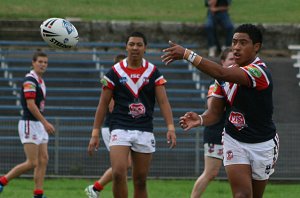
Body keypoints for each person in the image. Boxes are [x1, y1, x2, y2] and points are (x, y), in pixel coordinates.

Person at [161, 24, 279, 198]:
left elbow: (222, 74)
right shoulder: (223, 78)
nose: (236, 47)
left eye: (243, 43)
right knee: (242, 196)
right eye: (234, 42)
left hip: (263, 144)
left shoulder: (259, 72)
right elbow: (215, 113)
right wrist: (200, 119)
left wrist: (187, 54)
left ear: (256, 47)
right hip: (235, 140)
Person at [87, 31, 176, 198]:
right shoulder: (114, 72)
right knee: (119, 173)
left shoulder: (153, 72)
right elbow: (102, 104)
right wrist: (95, 132)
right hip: (120, 127)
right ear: (126, 47)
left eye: (139, 44)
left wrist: (170, 127)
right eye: (131, 44)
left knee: (140, 180)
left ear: (145, 48)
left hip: (144, 129)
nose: (135, 48)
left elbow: (164, 102)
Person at [0, 50, 55, 198]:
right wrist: (46, 123)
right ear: (33, 63)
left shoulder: (40, 81)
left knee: (43, 159)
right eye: (40, 62)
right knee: (32, 162)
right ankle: (2, 181)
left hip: (39, 124)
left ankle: (38, 193)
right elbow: (31, 105)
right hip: (30, 123)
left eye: (45, 62)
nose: (43, 65)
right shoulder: (30, 81)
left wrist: (43, 124)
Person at [85, 54, 131, 198]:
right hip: (112, 127)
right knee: (123, 165)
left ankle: (96, 188)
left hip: (122, 127)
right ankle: (95, 188)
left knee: (124, 166)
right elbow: (110, 106)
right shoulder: (112, 80)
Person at [190, 47, 234, 198]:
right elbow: (212, 109)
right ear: (223, 62)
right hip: (216, 132)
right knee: (211, 173)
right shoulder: (217, 82)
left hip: (235, 135)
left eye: (236, 59)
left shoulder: (240, 80)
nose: (234, 62)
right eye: (231, 59)